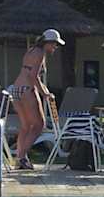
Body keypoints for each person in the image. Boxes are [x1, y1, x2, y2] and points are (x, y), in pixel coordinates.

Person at [8, 28, 63, 169]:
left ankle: (20, 158)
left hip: (16, 89)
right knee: (39, 125)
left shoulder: (31, 51)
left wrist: (46, 91)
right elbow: (33, 77)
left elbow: (31, 74)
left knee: (26, 126)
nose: (55, 47)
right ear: (48, 42)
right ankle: (21, 157)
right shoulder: (40, 54)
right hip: (27, 90)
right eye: (55, 44)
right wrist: (44, 94)